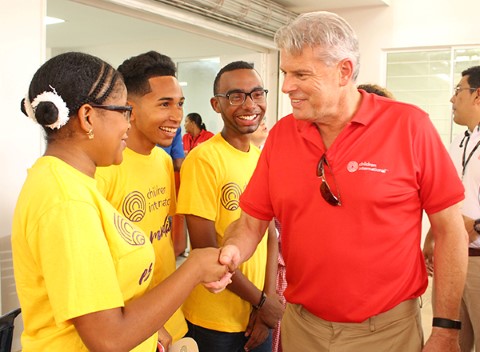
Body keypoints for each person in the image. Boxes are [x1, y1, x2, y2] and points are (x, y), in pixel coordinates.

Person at [218, 11, 469, 352]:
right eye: (286, 73)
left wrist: (446, 329)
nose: (287, 86)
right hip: (302, 327)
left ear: (344, 71)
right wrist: (231, 252)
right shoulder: (281, 136)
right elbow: (250, 223)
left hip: (387, 333)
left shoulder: (410, 126)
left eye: (301, 74)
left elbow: (450, 229)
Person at [11, 51, 231, 352]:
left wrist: (150, 330)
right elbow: (108, 339)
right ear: (88, 117)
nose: (128, 124)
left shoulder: (68, 183)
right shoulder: (66, 202)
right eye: (122, 112)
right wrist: (193, 268)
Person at [177, 61, 284, 352]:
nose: (249, 104)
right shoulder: (203, 160)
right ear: (216, 104)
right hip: (215, 319)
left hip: (256, 312)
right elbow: (205, 251)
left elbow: (270, 233)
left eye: (257, 94)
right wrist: (261, 302)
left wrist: (268, 298)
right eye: (236, 96)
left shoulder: (260, 159)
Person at [95, 50, 189, 348]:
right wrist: (146, 327)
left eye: (179, 104)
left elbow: (169, 238)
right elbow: (97, 271)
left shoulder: (162, 161)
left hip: (170, 317)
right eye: (164, 104)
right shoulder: (103, 171)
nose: (176, 116)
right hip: (131, 329)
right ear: (130, 109)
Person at [423, 65, 480, 352]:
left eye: (458, 91)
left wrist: (478, 226)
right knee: (452, 340)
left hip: (479, 261)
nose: (452, 99)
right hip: (454, 261)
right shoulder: (458, 143)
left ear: (478, 96)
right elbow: (443, 201)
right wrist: (430, 239)